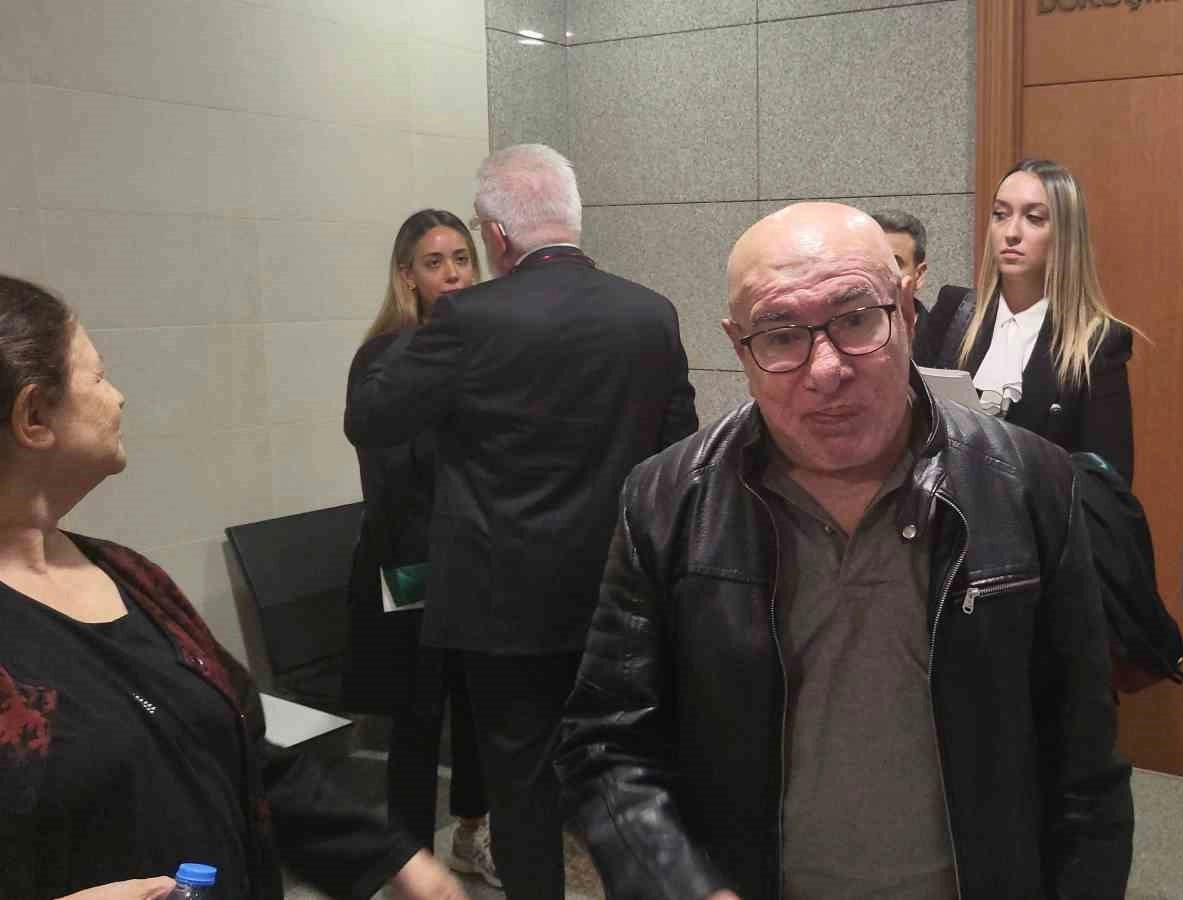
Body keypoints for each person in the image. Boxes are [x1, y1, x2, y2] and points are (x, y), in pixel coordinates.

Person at [557, 202, 1132, 900]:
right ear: (739, 347)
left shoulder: (1030, 483)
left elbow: (1085, 764)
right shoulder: (667, 499)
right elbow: (605, 745)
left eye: (856, 320)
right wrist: (681, 887)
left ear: (907, 313)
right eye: (780, 336)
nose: (826, 370)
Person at [0, 275, 467, 900]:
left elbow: (245, 753)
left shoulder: (131, 577)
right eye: (98, 378)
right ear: (33, 416)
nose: (119, 396)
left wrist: (388, 860)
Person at [344, 144, 698, 900]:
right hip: (617, 593)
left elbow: (370, 418)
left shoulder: (468, 319)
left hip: (501, 606)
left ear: (498, 236)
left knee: (522, 786)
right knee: (619, 774)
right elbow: (680, 452)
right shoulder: (650, 313)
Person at [345, 209, 497, 886]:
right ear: (407, 275)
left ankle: (469, 831)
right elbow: (388, 472)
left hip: (477, 561)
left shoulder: (488, 346)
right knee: (417, 714)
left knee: (476, 706)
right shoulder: (385, 357)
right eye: (435, 262)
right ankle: (409, 860)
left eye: (462, 258)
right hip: (409, 561)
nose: (453, 273)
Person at [913, 158, 1135, 483]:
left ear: (1065, 234)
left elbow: (1109, 483)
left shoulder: (1097, 342)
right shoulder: (953, 311)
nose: (1011, 233)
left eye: (1034, 218)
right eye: (1000, 215)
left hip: (1036, 513)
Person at [869, 209, 930, 322]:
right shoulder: (839, 328)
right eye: (869, 262)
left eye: (894, 264)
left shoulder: (944, 332)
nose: (878, 274)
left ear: (919, 275)